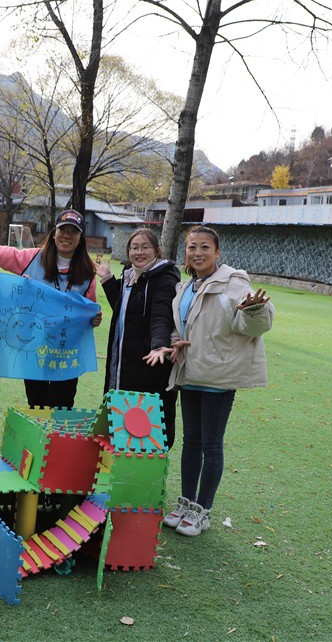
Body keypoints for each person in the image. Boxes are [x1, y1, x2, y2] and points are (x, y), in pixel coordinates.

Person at [145, 225, 274, 537]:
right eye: (192, 247)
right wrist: (174, 341)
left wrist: (254, 309)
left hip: (218, 375)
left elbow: (255, 322)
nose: (197, 253)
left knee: (210, 445)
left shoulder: (232, 281)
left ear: (217, 252)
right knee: (191, 442)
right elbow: (183, 325)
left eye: (204, 247)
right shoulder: (186, 286)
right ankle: (186, 503)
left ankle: (203, 510)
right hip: (190, 372)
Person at [0, 209, 102, 409]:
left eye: (73, 231)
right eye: (63, 229)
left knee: (62, 407)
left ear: (80, 238)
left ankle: (57, 441)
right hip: (33, 348)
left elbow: (89, 310)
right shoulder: (31, 258)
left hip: (66, 351)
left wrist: (94, 319)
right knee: (36, 405)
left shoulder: (88, 271)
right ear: (54, 233)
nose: (67, 235)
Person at [96, 228, 181, 449]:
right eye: (134, 247)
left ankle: (145, 475)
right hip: (123, 362)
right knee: (121, 424)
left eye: (145, 247)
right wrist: (107, 279)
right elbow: (124, 310)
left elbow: (161, 316)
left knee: (147, 428)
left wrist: (159, 346)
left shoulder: (164, 278)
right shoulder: (129, 274)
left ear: (157, 250)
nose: (139, 252)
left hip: (149, 362)